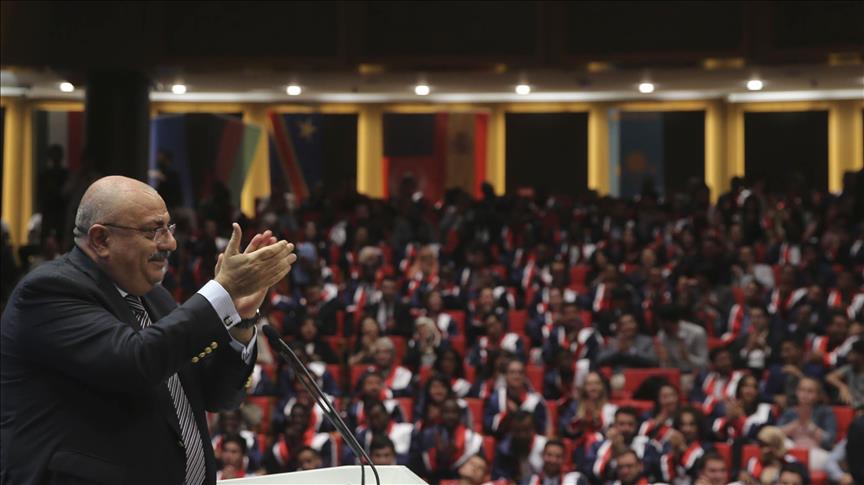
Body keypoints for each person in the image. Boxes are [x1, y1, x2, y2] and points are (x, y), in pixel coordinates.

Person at [0, 176, 296, 485]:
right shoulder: (49, 291)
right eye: (152, 231)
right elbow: (134, 362)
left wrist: (240, 319)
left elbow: (219, 398)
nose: (170, 243)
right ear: (101, 239)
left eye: (169, 228)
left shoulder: (156, 297)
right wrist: (221, 292)